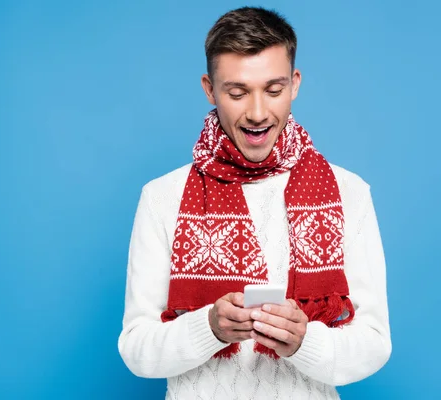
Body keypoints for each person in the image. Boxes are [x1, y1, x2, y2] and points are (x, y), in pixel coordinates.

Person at [117, 6, 391, 400]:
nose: (258, 113)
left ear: (295, 84)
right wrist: (208, 328)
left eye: (274, 90)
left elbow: (374, 342)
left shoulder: (349, 192)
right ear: (210, 89)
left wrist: (304, 342)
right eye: (237, 92)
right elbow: (137, 350)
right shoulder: (162, 197)